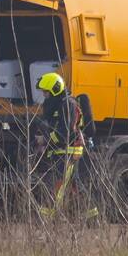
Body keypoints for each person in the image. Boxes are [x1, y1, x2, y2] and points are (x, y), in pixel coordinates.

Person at [34, 72, 90, 218]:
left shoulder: (68, 105)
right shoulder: (56, 105)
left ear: (55, 89)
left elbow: (65, 132)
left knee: (58, 182)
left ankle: (47, 216)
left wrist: (45, 139)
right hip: (60, 150)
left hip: (70, 150)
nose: (44, 95)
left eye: (46, 92)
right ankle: (90, 217)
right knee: (74, 185)